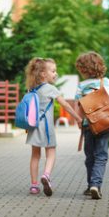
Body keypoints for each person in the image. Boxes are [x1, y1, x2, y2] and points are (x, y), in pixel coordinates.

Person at [25, 57, 82, 196]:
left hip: (33, 127)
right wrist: (78, 118)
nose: (55, 74)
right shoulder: (50, 88)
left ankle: (33, 186)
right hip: (46, 127)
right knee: (51, 152)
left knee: (35, 155)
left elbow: (28, 110)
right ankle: (46, 175)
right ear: (43, 74)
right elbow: (65, 105)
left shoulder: (31, 89)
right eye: (53, 71)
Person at [74, 51, 109, 200]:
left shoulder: (81, 86)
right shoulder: (107, 82)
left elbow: (78, 106)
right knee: (101, 156)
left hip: (88, 125)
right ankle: (95, 185)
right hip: (104, 124)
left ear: (83, 69)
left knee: (90, 156)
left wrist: (79, 121)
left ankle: (89, 185)